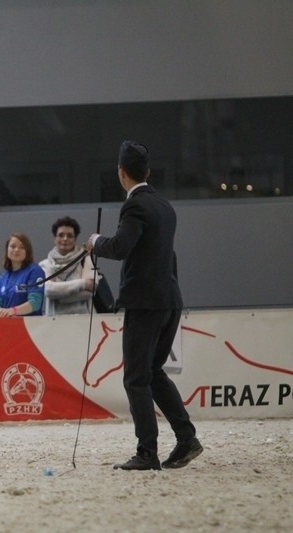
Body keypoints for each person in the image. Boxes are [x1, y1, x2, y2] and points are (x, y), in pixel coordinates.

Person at [85, 141, 201, 471]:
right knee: (153, 373)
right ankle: (186, 438)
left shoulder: (134, 206)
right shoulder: (165, 206)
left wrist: (95, 243)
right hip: (169, 300)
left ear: (122, 173)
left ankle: (147, 452)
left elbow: (120, 247)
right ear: (147, 172)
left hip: (145, 303)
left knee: (136, 378)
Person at [39, 216, 95, 316]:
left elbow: (89, 293)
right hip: (53, 325)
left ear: (75, 239)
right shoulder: (45, 264)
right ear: (54, 239)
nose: (65, 239)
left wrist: (58, 296)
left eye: (70, 235)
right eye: (61, 235)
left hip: (82, 323)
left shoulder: (86, 260)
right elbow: (48, 290)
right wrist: (82, 283)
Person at [0, 233, 45, 317]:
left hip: (30, 326)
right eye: (13, 246)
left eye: (22, 247)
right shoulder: (3, 277)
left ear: (27, 251)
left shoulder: (35, 271)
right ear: (7, 249)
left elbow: (35, 303)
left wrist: (13, 311)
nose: (16, 250)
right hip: (6, 324)